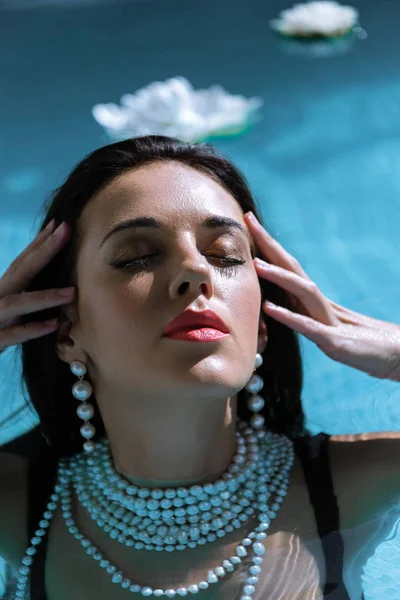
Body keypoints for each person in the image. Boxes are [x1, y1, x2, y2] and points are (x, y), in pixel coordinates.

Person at [0, 135, 399, 600]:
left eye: (225, 254)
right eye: (137, 257)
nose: (197, 271)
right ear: (68, 332)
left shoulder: (359, 483)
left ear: (262, 325)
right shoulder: (21, 506)